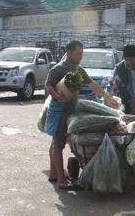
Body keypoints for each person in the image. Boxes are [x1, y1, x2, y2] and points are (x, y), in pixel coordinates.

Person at [44, 40, 118, 190]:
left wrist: (108, 98)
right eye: (78, 53)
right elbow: (47, 86)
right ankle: (61, 180)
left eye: (81, 53)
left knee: (56, 143)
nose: (80, 56)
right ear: (69, 53)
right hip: (60, 111)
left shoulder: (78, 69)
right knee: (58, 145)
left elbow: (92, 84)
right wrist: (58, 96)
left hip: (71, 110)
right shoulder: (58, 69)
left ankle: (53, 173)